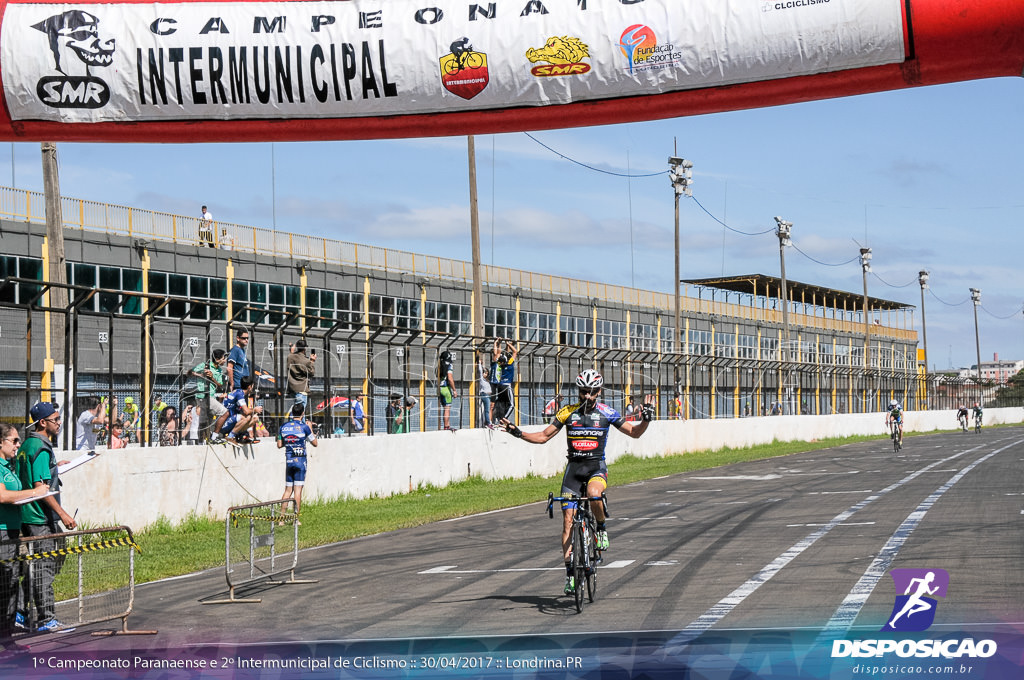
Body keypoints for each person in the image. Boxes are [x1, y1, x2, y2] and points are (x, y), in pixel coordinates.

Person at [500, 370, 655, 596]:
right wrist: (518, 433)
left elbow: (634, 432)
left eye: (592, 392)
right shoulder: (567, 412)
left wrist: (646, 420)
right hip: (573, 471)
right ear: (578, 391)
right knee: (567, 522)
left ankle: (600, 527)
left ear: (599, 392)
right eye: (584, 392)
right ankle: (571, 576)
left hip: (595, 469)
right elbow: (543, 436)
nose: (588, 397)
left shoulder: (606, 412)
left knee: (593, 494)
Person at [16, 402, 78, 633]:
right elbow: (41, 488)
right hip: (40, 518)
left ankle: (20, 612)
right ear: (43, 422)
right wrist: (63, 515)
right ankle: (46, 619)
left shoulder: (27, 445)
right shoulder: (41, 448)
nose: (59, 423)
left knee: (34, 567)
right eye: (56, 419)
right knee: (45, 568)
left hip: (27, 516)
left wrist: (55, 467)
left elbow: (34, 472)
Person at [0, 423, 48, 655]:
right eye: (14, 441)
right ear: (0, 442)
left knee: (9, 586)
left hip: (12, 530)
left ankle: (7, 639)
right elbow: (3, 495)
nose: (18, 445)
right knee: (4, 585)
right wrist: (34, 493)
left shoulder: (10, 465)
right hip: (1, 532)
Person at [277, 403, 318, 519]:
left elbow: (279, 445)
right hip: (300, 461)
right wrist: (310, 428)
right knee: (298, 490)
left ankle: (281, 519)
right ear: (302, 413)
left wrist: (290, 442)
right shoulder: (304, 427)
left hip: (289, 460)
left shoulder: (283, 427)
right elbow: (315, 443)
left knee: (287, 490)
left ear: (292, 413)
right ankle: (296, 519)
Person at [189, 348, 228, 437]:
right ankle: (214, 436)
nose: (225, 361)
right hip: (203, 396)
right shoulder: (205, 365)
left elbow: (220, 386)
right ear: (217, 359)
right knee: (225, 412)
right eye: (223, 358)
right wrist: (201, 375)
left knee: (206, 423)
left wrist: (212, 377)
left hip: (211, 396)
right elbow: (190, 372)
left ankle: (203, 441)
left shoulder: (219, 370)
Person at [212, 377, 263, 445]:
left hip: (230, 421)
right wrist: (255, 409)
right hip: (223, 424)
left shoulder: (238, 392)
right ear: (249, 387)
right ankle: (230, 437)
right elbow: (246, 411)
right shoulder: (240, 394)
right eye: (253, 386)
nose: (253, 388)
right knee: (245, 417)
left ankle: (240, 436)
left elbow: (223, 397)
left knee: (255, 418)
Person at [490, 338, 518, 421]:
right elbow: (515, 352)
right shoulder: (509, 364)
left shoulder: (499, 364)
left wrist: (498, 343)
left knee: (502, 403)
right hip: (507, 386)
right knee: (512, 405)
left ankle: (499, 418)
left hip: (500, 386)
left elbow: (497, 353)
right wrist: (508, 343)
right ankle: (504, 419)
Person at [287, 340, 316, 409]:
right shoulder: (306, 361)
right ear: (304, 348)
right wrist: (312, 361)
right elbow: (311, 373)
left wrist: (291, 350)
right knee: (299, 413)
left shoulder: (290, 357)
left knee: (295, 411)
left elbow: (292, 356)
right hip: (301, 389)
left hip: (292, 388)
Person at [437, 350, 457, 431]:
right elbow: (450, 378)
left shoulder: (439, 365)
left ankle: (446, 425)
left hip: (440, 388)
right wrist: (454, 390)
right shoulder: (449, 365)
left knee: (444, 407)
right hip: (446, 388)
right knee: (447, 408)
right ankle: (446, 426)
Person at [477, 357, 492, 428]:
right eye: (485, 373)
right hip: (485, 395)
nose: (485, 374)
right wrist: (479, 364)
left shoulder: (487, 380)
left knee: (488, 409)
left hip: (488, 395)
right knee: (487, 410)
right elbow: (480, 370)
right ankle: (488, 423)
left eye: (486, 373)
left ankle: (488, 422)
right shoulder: (481, 379)